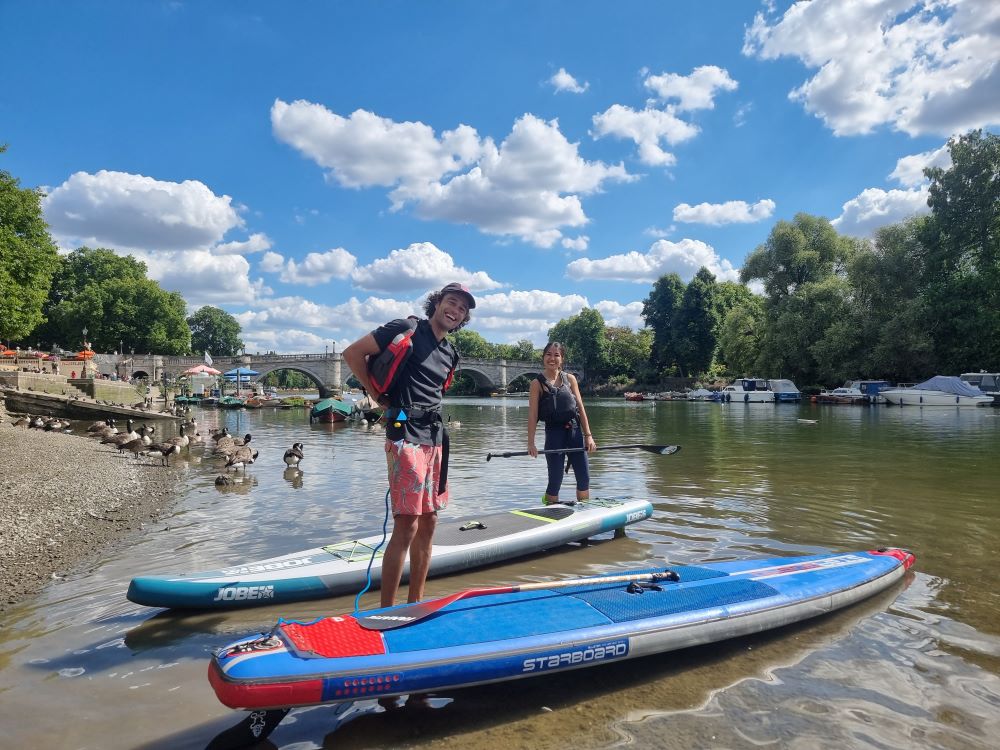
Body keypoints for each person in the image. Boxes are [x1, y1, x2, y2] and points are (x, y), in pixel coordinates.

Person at [343, 282, 474, 607]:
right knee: (407, 524)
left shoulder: (450, 353)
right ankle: (386, 610)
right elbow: (352, 353)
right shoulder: (407, 328)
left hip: (434, 439)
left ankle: (415, 603)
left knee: (430, 523)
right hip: (404, 434)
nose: (455, 310)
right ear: (438, 302)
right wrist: (377, 397)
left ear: (463, 318)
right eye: (451, 302)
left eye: (462, 308)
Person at [527, 342, 597, 505]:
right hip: (554, 434)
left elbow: (580, 407)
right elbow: (532, 416)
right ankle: (550, 507)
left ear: (562, 359)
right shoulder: (536, 384)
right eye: (548, 354)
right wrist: (531, 443)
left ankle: (585, 511)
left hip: (575, 432)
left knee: (584, 477)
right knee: (555, 480)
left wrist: (589, 436)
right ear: (543, 357)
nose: (552, 358)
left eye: (556, 355)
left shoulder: (570, 379)